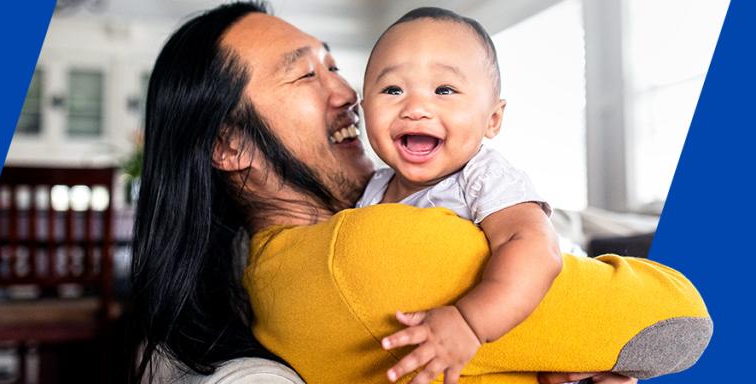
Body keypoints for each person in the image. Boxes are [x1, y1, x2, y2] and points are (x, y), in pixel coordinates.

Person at [128, 2, 708, 383]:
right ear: (230, 146)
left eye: (335, 66)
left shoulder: (265, 275)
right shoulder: (371, 251)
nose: (349, 94)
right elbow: (680, 320)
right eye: (307, 74)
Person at [357, 8, 561, 382]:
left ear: (492, 119)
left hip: (537, 306)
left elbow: (534, 245)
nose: (416, 108)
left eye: (444, 90)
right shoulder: (371, 191)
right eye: (392, 90)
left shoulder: (482, 175)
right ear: (363, 108)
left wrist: (470, 322)